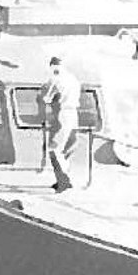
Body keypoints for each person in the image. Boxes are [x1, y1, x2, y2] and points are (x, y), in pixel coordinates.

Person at [40, 56, 80, 192]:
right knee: (68, 146)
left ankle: (63, 180)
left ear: (52, 66)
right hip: (74, 114)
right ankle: (65, 177)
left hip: (62, 114)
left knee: (54, 148)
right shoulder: (74, 79)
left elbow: (46, 98)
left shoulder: (55, 79)